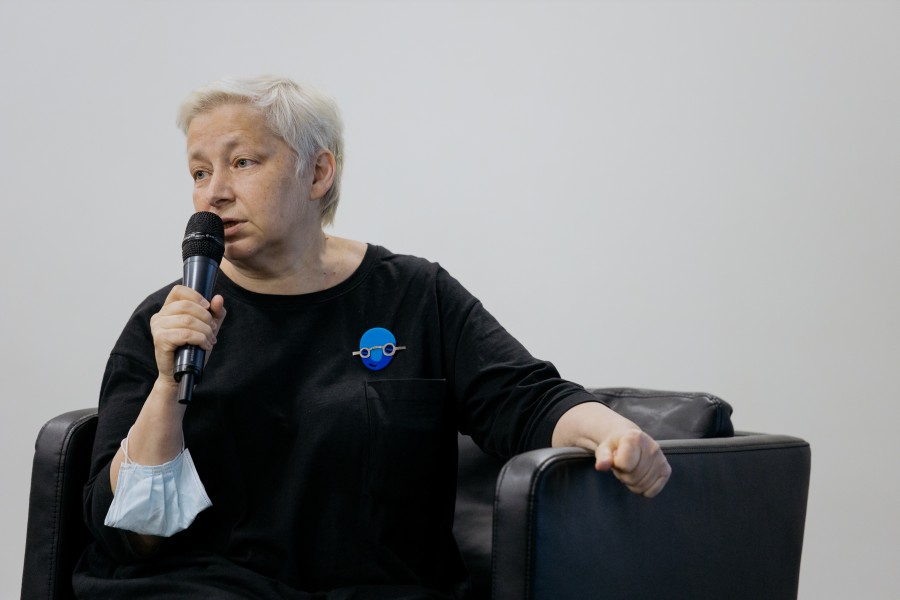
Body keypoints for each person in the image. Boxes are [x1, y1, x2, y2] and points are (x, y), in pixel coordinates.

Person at [73, 76, 671, 599]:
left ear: (317, 172)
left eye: (243, 162)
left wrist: (615, 433)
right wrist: (168, 385)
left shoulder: (415, 295)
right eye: (200, 172)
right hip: (198, 588)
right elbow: (128, 535)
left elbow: (530, 401)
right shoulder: (168, 321)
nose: (214, 192)